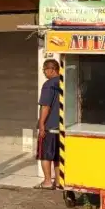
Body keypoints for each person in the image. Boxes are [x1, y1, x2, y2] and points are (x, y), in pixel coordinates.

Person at [37, 59, 62, 189]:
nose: (44, 72)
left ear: (51, 69)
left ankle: (47, 182)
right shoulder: (63, 82)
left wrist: (41, 124)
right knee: (58, 156)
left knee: (45, 154)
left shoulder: (48, 85)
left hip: (49, 127)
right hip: (61, 127)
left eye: (44, 70)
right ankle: (58, 182)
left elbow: (45, 106)